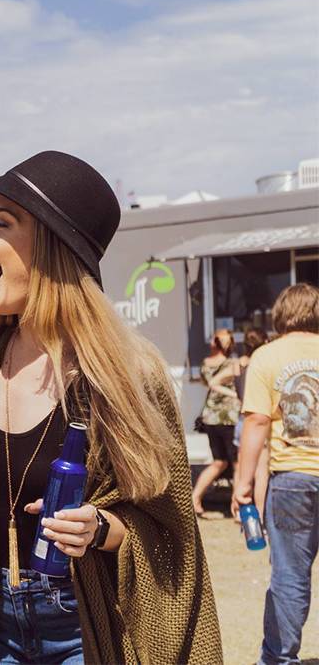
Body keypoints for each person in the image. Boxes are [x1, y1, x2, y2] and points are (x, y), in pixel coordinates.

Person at [0, 151, 221, 664]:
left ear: (51, 247)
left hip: (83, 625)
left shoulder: (129, 375)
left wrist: (101, 528)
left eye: (0, 224)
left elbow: (172, 526)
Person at [232, 282, 319, 665]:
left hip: (292, 481)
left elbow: (256, 424)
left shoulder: (266, 357)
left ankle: (279, 658)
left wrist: (242, 485)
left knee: (289, 576)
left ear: (281, 315)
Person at [192, 328, 241, 514]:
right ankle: (237, 507)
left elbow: (207, 384)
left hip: (210, 418)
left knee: (219, 462)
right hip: (229, 418)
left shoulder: (205, 364)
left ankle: (195, 498)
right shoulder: (232, 363)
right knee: (236, 463)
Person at [236, 327, 271, 515]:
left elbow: (215, 381)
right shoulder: (262, 363)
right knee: (261, 471)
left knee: (241, 467)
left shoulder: (238, 365)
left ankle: (240, 508)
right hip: (257, 417)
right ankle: (259, 510)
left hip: (242, 419)